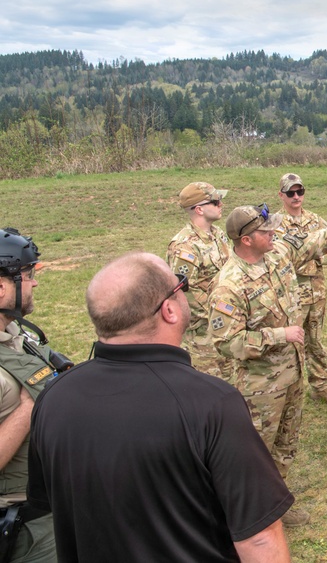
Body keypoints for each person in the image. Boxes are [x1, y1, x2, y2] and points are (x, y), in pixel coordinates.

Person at [27, 253, 293, 563]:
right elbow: (260, 539)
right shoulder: (213, 404)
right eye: (181, 286)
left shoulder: (53, 396)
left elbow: (49, 505)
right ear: (169, 310)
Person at [210, 197, 327, 527]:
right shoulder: (229, 285)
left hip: (292, 375)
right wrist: (280, 335)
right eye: (266, 230)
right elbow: (226, 343)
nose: (274, 231)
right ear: (246, 240)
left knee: (286, 444)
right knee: (255, 451)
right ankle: (242, 516)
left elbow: (321, 240)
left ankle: (275, 501)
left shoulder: (277, 254)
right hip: (260, 387)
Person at [0, 230, 64, 563]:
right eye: (27, 275)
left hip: (48, 508)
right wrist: (29, 407)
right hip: (21, 524)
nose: (34, 283)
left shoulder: (16, 333)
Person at [274, 172, 327, 406]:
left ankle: (320, 386)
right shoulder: (274, 224)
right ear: (281, 195)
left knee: (315, 340)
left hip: (316, 291)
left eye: (300, 191)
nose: (296, 197)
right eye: (291, 193)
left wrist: (316, 260)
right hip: (291, 294)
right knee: (290, 344)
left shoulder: (316, 220)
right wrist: (303, 260)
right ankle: (287, 389)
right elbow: (275, 258)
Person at [166, 181, 232, 378]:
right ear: (199, 210)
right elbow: (183, 291)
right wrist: (218, 313)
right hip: (204, 333)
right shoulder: (184, 246)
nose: (221, 205)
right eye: (216, 202)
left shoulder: (219, 235)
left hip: (226, 325)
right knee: (210, 385)